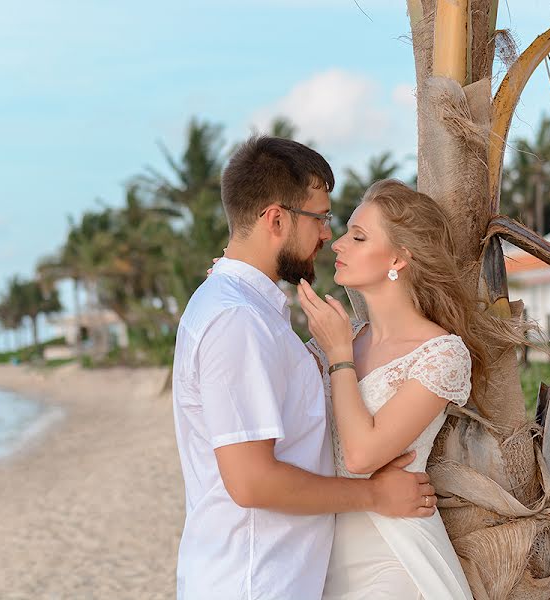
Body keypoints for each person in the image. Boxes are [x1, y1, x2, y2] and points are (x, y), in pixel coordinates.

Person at [172, 137, 437, 600]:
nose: (326, 236)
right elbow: (252, 481)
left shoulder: (250, 310)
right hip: (254, 581)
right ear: (276, 219)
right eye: (320, 218)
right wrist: (374, 496)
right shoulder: (237, 319)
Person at [299, 178, 481, 599]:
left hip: (396, 556)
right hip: (326, 551)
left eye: (358, 237)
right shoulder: (344, 336)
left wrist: (340, 355)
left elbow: (362, 456)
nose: (339, 245)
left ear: (399, 257)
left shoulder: (441, 354)